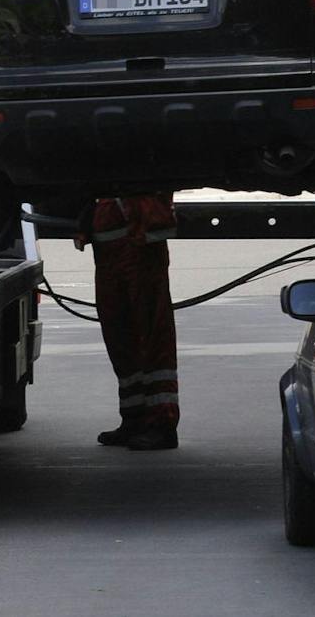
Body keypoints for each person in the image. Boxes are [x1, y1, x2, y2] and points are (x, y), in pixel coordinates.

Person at [75, 193, 180, 451]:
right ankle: (134, 418)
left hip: (139, 245)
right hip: (111, 250)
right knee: (119, 336)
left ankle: (161, 424)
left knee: (151, 335)